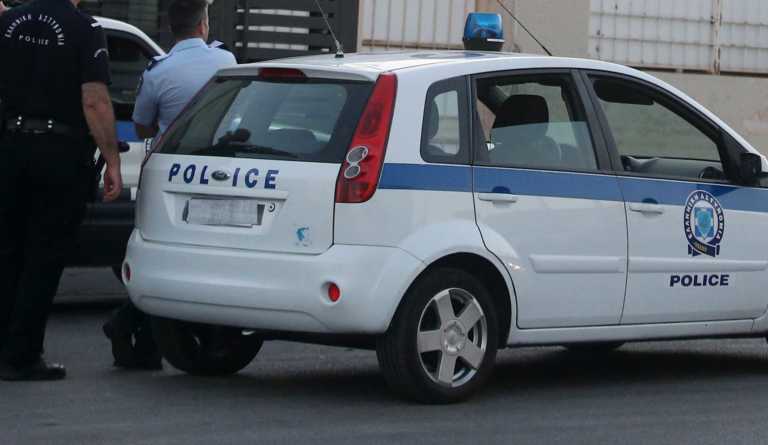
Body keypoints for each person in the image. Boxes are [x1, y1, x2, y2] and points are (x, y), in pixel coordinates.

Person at [102, 0, 236, 370]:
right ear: (203, 24)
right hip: (215, 172)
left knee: (165, 255)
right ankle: (131, 328)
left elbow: (142, 125)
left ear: (171, 29)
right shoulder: (224, 61)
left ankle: (136, 333)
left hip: (168, 172)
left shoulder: (158, 71)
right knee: (200, 260)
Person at [0, 0, 123, 381]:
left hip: (10, 146)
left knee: (8, 252)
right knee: (44, 256)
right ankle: (21, 354)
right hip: (58, 153)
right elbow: (94, 100)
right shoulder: (85, 29)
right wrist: (112, 160)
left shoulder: (8, 22)